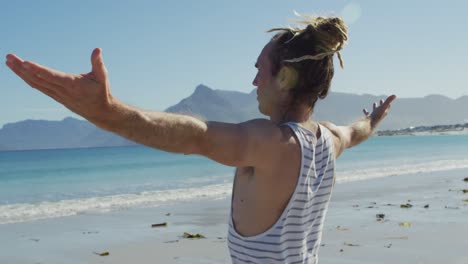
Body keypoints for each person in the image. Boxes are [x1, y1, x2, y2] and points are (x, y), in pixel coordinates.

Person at [5, 15, 395, 264]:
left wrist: (107, 111)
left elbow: (194, 137)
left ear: (285, 78)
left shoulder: (271, 144)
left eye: (261, 69)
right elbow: (356, 132)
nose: (254, 81)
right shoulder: (329, 139)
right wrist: (373, 119)